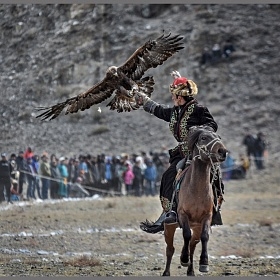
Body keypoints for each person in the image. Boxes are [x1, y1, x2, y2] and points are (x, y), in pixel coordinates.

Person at [135, 70, 224, 233]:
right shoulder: (175, 112)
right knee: (169, 176)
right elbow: (159, 110)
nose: (172, 98)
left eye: (174, 95)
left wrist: (198, 131)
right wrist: (143, 100)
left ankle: (215, 208)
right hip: (181, 153)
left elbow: (212, 125)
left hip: (198, 152)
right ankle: (171, 211)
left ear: (180, 97)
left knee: (215, 175)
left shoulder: (199, 109)